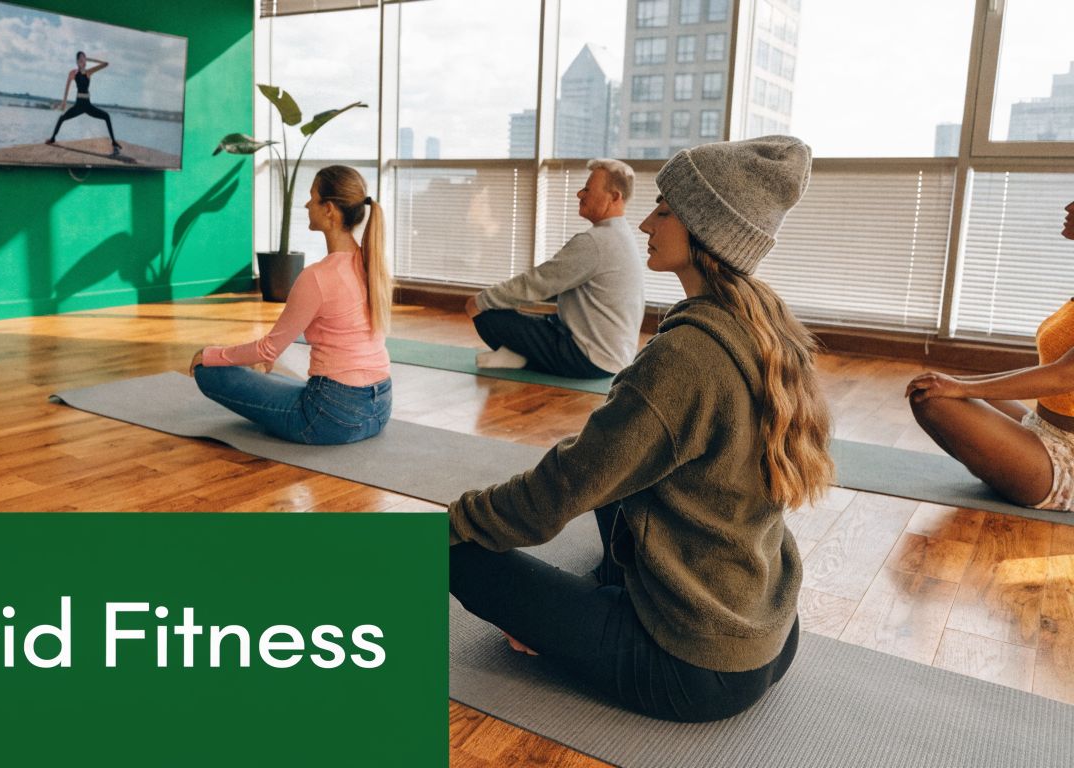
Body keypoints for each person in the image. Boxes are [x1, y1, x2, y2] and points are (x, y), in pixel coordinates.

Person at [448, 136, 834, 723]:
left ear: (705, 230)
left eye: (665, 210)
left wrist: (453, 521)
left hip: (692, 666)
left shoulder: (687, 357)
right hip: (766, 633)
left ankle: (583, 624)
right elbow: (603, 469)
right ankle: (601, 608)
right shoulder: (770, 328)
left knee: (458, 555)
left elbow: (561, 488)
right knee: (623, 469)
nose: (648, 222)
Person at [189, 165, 392, 445]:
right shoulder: (372, 264)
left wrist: (210, 354)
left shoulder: (317, 277)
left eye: (312, 197)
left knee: (209, 373)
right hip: (379, 409)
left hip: (329, 418)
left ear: (329, 209)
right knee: (276, 378)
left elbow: (268, 348)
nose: (307, 204)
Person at [906, 200, 1074, 512]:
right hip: (1044, 426)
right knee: (928, 389)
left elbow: (1064, 375)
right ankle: (1005, 469)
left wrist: (963, 387)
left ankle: (1017, 475)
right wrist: (957, 382)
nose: (1068, 205)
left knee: (934, 399)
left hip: (1068, 461)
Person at [463, 159, 645, 378]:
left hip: (590, 360)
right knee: (516, 311)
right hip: (616, 357)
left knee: (488, 315)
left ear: (614, 196)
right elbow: (555, 287)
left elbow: (537, 283)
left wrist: (481, 300)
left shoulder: (594, 242)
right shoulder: (622, 236)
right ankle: (518, 356)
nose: (580, 194)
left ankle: (522, 355)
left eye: (587, 189)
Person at [46, 51, 122, 156]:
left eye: (85, 59)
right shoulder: (73, 73)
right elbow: (67, 87)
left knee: (106, 116)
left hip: (88, 106)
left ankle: (114, 142)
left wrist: (90, 59)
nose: (83, 61)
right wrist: (64, 102)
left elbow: (105, 64)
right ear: (77, 61)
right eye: (81, 59)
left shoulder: (89, 72)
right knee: (61, 118)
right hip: (78, 106)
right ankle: (52, 138)